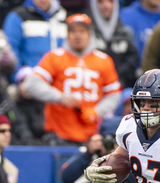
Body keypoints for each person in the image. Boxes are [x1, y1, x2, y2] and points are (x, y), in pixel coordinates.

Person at [23, 14, 122, 145]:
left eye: (82, 31)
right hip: (59, 133)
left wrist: (96, 112)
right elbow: (31, 83)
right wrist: (59, 97)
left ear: (89, 33)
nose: (77, 35)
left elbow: (114, 94)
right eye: (73, 31)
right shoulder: (54, 57)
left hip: (91, 135)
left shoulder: (104, 60)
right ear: (67, 34)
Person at [3, 0, 68, 69]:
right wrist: (19, 76)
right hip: (30, 77)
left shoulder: (62, 18)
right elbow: (11, 49)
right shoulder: (18, 16)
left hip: (58, 78)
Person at [89, 0, 139, 89]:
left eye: (109, 1)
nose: (105, 5)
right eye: (101, 1)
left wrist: (119, 82)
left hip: (121, 87)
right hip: (94, 87)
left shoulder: (125, 32)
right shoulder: (89, 32)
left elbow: (131, 60)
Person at [10, 66, 47, 145]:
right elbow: (22, 130)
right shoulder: (12, 107)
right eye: (23, 81)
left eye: (30, 82)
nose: (27, 86)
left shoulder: (45, 106)